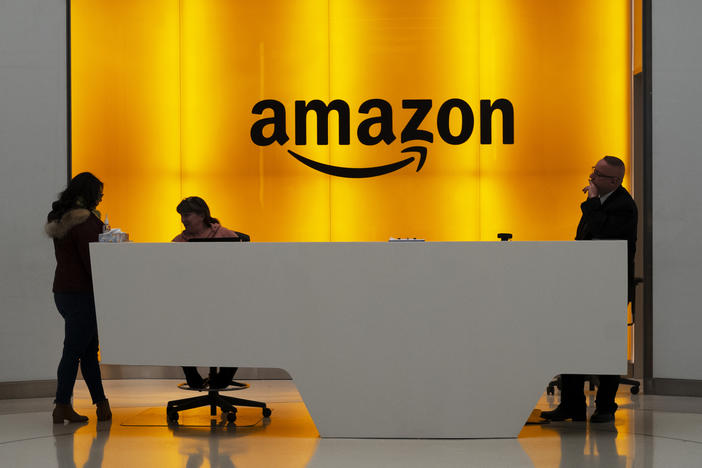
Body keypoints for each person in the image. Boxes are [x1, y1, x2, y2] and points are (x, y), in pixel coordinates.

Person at [541, 156, 638, 423]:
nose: (591, 177)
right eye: (593, 171)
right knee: (571, 343)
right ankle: (571, 405)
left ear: (614, 181)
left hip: (610, 288)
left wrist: (592, 201)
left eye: (598, 174)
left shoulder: (624, 206)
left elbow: (604, 235)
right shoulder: (595, 204)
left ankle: (606, 406)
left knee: (606, 346)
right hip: (585, 286)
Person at [45, 172, 112, 423]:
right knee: (75, 351)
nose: (101, 198)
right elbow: (92, 261)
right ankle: (61, 405)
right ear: (90, 194)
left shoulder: (61, 218)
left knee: (86, 350)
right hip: (83, 293)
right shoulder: (85, 222)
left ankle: (102, 405)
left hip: (63, 291)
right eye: (100, 194)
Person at [172, 196, 240, 389]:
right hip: (192, 302)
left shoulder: (227, 235)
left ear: (202, 215)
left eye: (187, 215)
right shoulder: (178, 242)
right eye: (181, 216)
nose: (183, 220)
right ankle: (192, 376)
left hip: (226, 301)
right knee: (178, 329)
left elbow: (242, 268)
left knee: (236, 332)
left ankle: (223, 378)